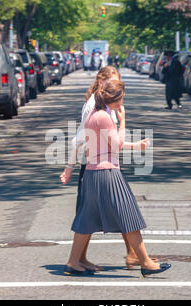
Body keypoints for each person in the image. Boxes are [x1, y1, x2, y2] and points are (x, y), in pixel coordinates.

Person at [63, 79, 171, 278]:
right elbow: (116, 145)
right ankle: (145, 262)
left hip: (93, 173)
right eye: (122, 98)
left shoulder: (94, 114)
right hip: (107, 173)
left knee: (87, 219)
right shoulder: (103, 116)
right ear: (115, 98)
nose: (123, 102)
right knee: (128, 214)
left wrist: (136, 145)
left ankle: (73, 262)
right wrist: (123, 122)